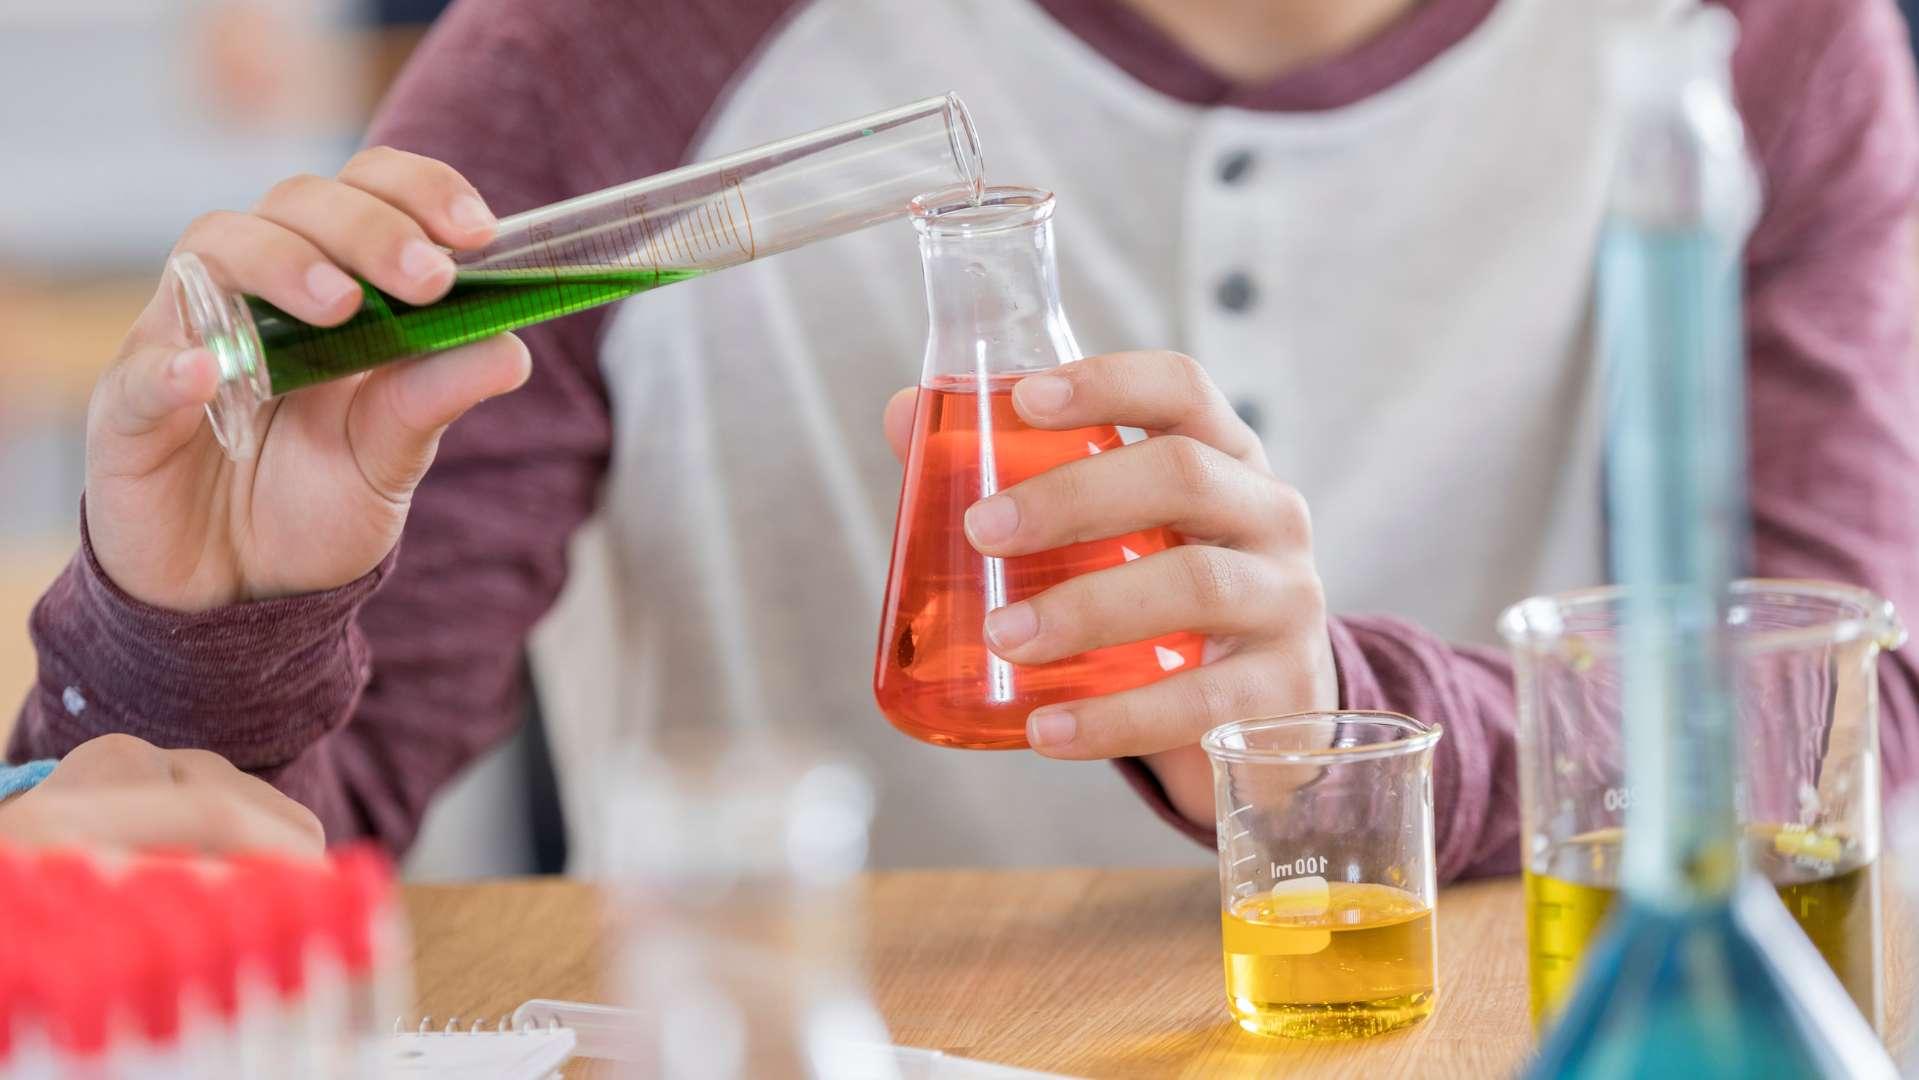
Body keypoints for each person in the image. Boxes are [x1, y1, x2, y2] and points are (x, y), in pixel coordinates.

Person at [10, 0, 1919, 879]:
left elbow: (1854, 705)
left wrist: (1338, 717)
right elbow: (259, 867)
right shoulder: (603, 63)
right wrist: (192, 650)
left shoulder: (1748, 51)